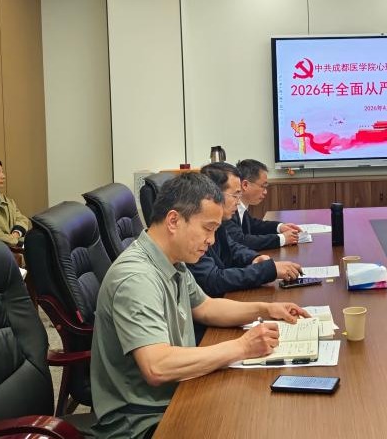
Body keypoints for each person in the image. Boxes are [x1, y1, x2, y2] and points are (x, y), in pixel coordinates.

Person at [90, 172, 309, 439]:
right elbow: (157, 366)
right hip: (143, 421)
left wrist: (266, 309)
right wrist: (242, 347)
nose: (212, 240)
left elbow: (205, 307)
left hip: (178, 393)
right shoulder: (136, 278)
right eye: (208, 228)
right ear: (174, 221)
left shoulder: (173, 259)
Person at [187, 163, 302, 297]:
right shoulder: (192, 231)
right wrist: (267, 270)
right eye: (235, 195)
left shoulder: (218, 223)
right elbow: (213, 280)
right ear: (214, 194)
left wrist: (254, 258)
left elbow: (233, 248)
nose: (238, 201)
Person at [233, 158, 302, 250]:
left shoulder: (241, 207)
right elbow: (240, 241)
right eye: (263, 186)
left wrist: (280, 227)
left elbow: (253, 225)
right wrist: (282, 239)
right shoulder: (229, 209)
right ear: (245, 185)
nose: (265, 192)